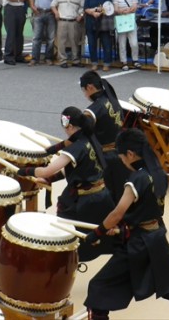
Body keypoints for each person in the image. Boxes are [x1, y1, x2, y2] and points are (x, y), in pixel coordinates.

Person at [83, 129, 169, 320]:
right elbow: (147, 210)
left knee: (100, 287)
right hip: (156, 238)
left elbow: (117, 212)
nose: (121, 161)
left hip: (138, 244)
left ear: (130, 154)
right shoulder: (159, 173)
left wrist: (97, 233)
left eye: (121, 156)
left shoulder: (136, 180)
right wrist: (123, 228)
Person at [17, 106, 116, 263]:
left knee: (64, 231)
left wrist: (21, 171)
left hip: (85, 201)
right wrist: (51, 180)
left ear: (69, 126)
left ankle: (61, 262)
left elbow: (45, 171)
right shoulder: (90, 138)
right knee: (103, 234)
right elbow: (77, 170)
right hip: (102, 197)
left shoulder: (75, 148)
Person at [78, 70, 129, 203]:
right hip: (120, 155)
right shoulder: (113, 101)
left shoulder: (93, 110)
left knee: (106, 196)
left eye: (84, 91)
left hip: (104, 159)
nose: (85, 95)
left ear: (90, 87)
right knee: (120, 194)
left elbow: (82, 134)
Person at [28, 0, 62, 66]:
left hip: (50, 12)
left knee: (50, 38)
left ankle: (48, 58)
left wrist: (56, 11)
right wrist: (32, 6)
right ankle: (35, 58)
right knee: (36, 37)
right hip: (38, 12)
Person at [51, 0, 85, 68]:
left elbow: (83, 9)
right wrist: (56, 13)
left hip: (73, 21)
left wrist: (80, 15)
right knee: (61, 42)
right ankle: (62, 60)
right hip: (62, 21)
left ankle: (75, 60)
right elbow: (53, 5)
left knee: (74, 41)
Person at [84, 0, 114, 71]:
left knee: (106, 43)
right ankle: (94, 62)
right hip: (91, 21)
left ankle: (106, 63)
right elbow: (86, 8)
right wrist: (93, 12)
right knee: (92, 43)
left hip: (104, 22)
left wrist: (98, 11)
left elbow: (108, 6)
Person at [2, 0, 29, 66]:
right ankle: (8, 55)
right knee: (11, 33)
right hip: (10, 8)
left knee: (19, 33)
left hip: (20, 7)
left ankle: (18, 54)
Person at [113, 0, 140, 71]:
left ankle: (135, 59)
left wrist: (128, 10)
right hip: (121, 21)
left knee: (134, 42)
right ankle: (123, 61)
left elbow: (135, 7)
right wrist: (122, 11)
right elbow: (115, 9)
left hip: (131, 20)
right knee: (122, 42)